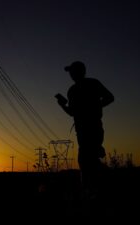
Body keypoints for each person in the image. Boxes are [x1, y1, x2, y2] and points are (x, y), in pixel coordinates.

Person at [56, 61, 114, 207]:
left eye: (73, 71)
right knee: (87, 161)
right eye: (70, 72)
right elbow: (72, 113)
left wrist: (95, 107)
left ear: (81, 71)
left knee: (86, 160)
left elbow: (110, 97)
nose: (71, 74)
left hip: (93, 127)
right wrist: (63, 105)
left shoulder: (93, 84)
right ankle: (93, 192)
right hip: (81, 131)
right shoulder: (72, 91)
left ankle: (92, 193)